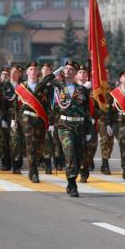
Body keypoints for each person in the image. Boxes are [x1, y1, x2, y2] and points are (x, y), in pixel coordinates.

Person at [14, 61, 61, 183]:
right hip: (27, 118)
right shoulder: (22, 87)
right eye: (31, 69)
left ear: (38, 72)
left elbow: (47, 106)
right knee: (30, 144)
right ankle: (33, 170)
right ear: (26, 72)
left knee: (39, 145)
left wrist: (50, 122)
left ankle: (34, 164)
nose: (33, 71)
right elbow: (16, 105)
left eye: (35, 69)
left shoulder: (44, 87)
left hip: (40, 118)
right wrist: (14, 120)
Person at [52, 60, 93, 197]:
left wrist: (88, 131)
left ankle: (72, 180)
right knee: (69, 154)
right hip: (64, 126)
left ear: (75, 73)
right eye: (66, 68)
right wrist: (54, 73)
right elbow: (41, 85)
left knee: (78, 156)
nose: (68, 71)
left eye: (71, 69)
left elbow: (87, 111)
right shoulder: (57, 86)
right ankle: (72, 183)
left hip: (79, 127)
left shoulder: (82, 90)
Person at [75, 65, 100, 183]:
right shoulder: (73, 89)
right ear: (76, 75)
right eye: (80, 72)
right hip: (77, 124)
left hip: (91, 125)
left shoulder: (94, 90)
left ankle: (85, 167)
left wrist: (95, 117)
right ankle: (82, 172)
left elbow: (100, 107)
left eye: (84, 72)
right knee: (79, 150)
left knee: (90, 150)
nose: (82, 74)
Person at [3, 64, 25, 173]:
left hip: (21, 115)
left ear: (20, 74)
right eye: (12, 71)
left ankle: (17, 163)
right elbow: (1, 102)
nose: (13, 73)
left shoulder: (23, 86)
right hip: (8, 115)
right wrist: (2, 118)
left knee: (18, 140)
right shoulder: (4, 85)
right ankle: (8, 163)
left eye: (16, 72)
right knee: (10, 140)